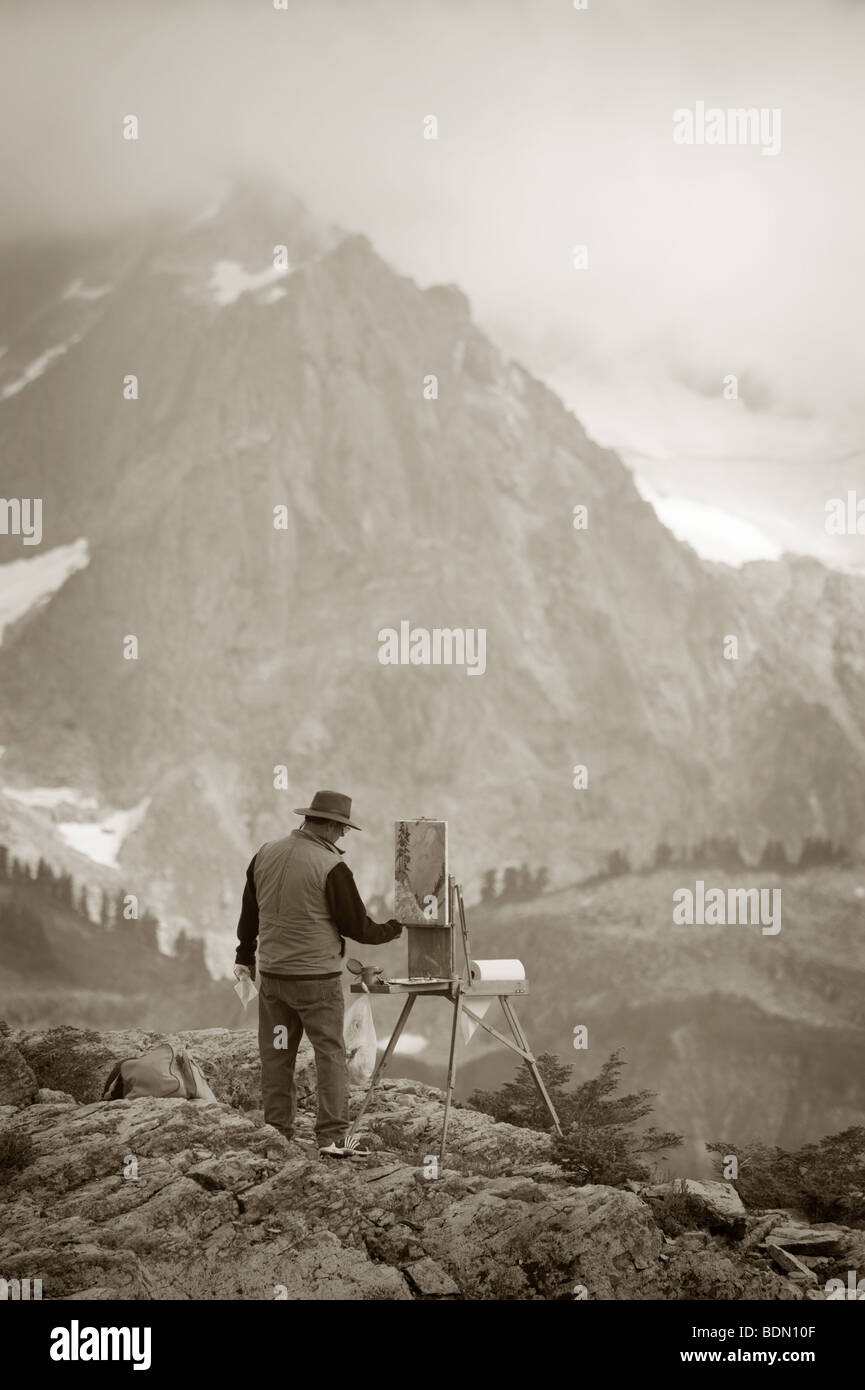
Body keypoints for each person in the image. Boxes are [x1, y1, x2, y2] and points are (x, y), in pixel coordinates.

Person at [234, 789, 402, 1157]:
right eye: (342, 829)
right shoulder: (331, 867)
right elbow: (358, 927)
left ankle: (276, 1132)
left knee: (277, 1053)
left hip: (274, 978)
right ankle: (331, 1138)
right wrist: (394, 927)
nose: (343, 837)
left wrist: (244, 956)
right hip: (316, 982)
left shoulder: (265, 853)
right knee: (329, 1053)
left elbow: (249, 915)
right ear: (329, 825)